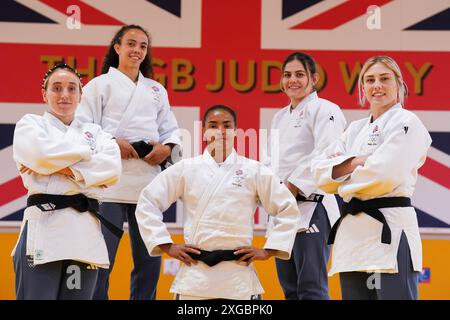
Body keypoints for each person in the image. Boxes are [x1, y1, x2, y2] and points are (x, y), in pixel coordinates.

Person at [135, 105, 304, 300]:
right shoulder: (186, 169)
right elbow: (148, 201)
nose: (221, 131)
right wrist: (166, 245)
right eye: (213, 125)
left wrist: (269, 250)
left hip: (238, 280)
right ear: (204, 132)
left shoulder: (254, 170)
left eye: (227, 125)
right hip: (194, 279)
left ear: (236, 131)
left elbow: (288, 208)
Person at [311, 56, 431, 300]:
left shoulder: (407, 122)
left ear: (399, 85)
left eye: (384, 79)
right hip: (353, 235)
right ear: (362, 88)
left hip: (390, 230)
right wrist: (356, 162)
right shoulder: (354, 129)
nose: (377, 85)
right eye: (370, 80)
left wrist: (342, 182)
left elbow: (384, 174)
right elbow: (318, 172)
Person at [76, 25, 181, 300]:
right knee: (102, 258)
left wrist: (167, 148)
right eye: (131, 44)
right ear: (117, 47)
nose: (137, 50)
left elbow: (170, 129)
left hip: (146, 182)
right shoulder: (99, 85)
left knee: (149, 259)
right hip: (109, 182)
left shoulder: (156, 90)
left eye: (143, 46)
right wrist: (112, 144)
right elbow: (84, 128)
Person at [11, 63, 122, 299]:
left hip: (84, 234)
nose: (64, 95)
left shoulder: (95, 132)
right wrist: (89, 159)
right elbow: (40, 155)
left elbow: (112, 169)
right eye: (57, 88)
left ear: (80, 96)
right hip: (43, 228)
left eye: (72, 89)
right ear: (44, 94)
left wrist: (61, 168)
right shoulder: (30, 124)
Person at [263, 52, 346, 299]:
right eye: (287, 75)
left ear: (314, 79)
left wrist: (293, 185)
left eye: (300, 74)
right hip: (282, 210)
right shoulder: (279, 117)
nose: (293, 80)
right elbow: (270, 162)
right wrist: (270, 190)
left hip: (313, 208)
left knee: (311, 287)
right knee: (289, 287)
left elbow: (328, 151)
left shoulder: (326, 109)